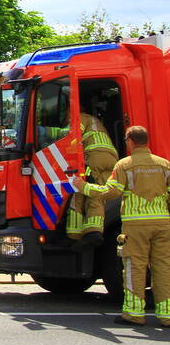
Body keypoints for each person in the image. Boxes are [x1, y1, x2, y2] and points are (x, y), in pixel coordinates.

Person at [72, 125, 170, 326]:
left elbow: (111, 192)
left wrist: (84, 187)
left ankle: (134, 314)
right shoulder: (164, 165)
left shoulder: (124, 165)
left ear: (130, 141)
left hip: (136, 225)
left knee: (135, 268)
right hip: (162, 223)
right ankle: (167, 315)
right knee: (163, 268)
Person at [66, 112, 119, 249]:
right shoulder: (96, 123)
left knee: (78, 192)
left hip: (94, 157)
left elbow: (73, 135)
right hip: (111, 158)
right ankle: (94, 232)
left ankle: (73, 236)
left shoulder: (80, 116)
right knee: (97, 193)